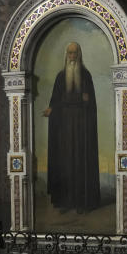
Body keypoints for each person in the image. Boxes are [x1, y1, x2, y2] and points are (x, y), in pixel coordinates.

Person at [43, 41, 101, 213]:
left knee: (80, 162)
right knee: (65, 162)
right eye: (70, 53)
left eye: (75, 53)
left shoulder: (86, 75)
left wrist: (87, 100)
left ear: (79, 54)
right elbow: (55, 99)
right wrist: (51, 109)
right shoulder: (61, 76)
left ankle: (82, 203)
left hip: (82, 126)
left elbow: (91, 103)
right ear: (66, 55)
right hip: (65, 126)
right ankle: (66, 202)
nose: (72, 56)